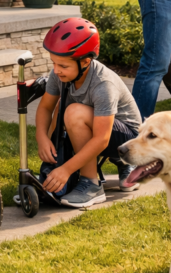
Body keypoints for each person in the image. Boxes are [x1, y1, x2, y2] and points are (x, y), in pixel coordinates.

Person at [35, 18, 143, 208]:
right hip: (101, 129)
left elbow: (102, 139)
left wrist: (66, 170)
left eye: (63, 66)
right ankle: (56, 169)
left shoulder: (103, 84)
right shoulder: (59, 74)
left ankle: (91, 184)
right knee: (63, 106)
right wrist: (42, 137)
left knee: (73, 112)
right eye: (54, 63)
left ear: (85, 61)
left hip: (128, 140)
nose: (56, 70)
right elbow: (46, 107)